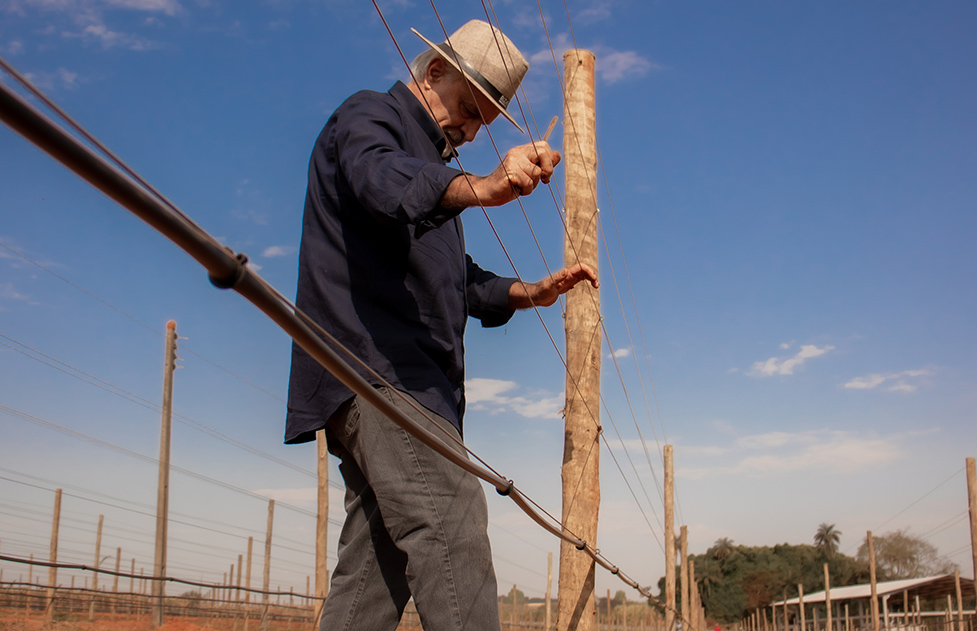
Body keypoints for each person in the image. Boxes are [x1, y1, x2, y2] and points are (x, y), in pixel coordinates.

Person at [285, 19, 598, 631]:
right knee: (452, 521)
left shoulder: (434, 172)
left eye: (483, 121)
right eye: (468, 108)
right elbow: (378, 180)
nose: (471, 129)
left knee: (377, 567)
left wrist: (531, 291)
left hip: (406, 383)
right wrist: (483, 186)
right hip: (377, 369)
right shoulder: (370, 118)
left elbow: (457, 277)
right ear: (433, 73)